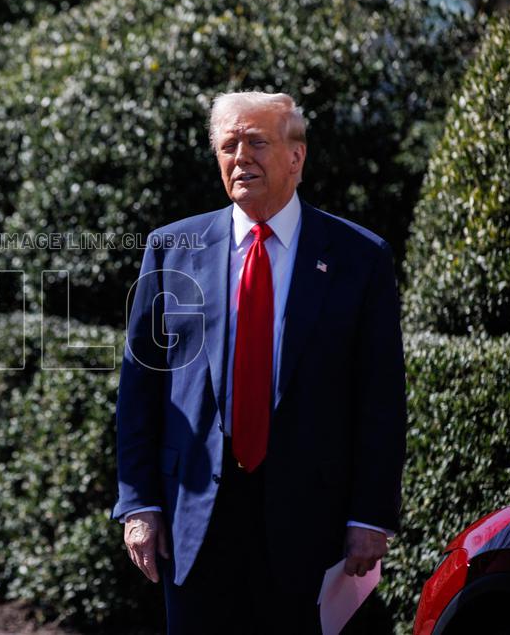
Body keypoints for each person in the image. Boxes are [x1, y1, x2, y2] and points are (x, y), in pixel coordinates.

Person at [112, 91, 406, 633]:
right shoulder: (171, 248)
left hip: (309, 524)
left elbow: (380, 398)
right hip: (194, 523)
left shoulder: (359, 258)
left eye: (256, 142)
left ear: (297, 156)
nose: (240, 157)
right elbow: (140, 390)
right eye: (228, 145)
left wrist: (370, 515)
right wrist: (138, 504)